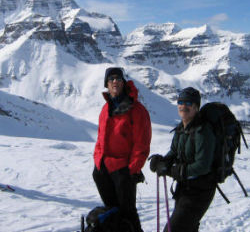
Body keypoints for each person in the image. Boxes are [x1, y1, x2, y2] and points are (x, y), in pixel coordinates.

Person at [149, 87, 217, 232]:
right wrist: (162, 161)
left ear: (196, 107)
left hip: (200, 191)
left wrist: (176, 170)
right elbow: (174, 151)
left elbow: (203, 165)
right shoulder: (182, 128)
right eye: (180, 102)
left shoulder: (203, 131)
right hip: (184, 189)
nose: (183, 106)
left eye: (188, 103)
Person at [93, 67, 152, 232]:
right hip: (104, 169)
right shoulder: (105, 109)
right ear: (107, 84)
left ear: (123, 82)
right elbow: (100, 138)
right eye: (111, 79)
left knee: (128, 214)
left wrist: (132, 169)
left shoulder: (137, 110)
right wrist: (98, 160)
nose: (115, 81)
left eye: (118, 78)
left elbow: (142, 143)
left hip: (123, 170)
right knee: (112, 211)